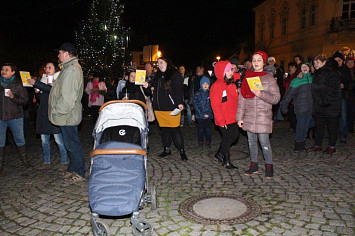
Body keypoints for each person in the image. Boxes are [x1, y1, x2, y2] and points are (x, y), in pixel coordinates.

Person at [237, 51, 280, 179]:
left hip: (263, 115)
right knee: (251, 142)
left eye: (259, 60)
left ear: (264, 62)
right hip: (249, 115)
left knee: (264, 142)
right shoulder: (247, 77)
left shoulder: (269, 78)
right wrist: (239, 117)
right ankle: (254, 164)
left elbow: (276, 98)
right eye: (254, 60)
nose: (256, 62)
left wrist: (261, 94)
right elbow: (242, 99)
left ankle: (269, 165)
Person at [48, 43, 86, 182]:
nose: (58, 55)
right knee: (69, 143)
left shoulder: (71, 70)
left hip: (67, 114)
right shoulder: (68, 68)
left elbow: (68, 97)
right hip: (67, 114)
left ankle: (80, 171)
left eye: (60, 52)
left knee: (72, 144)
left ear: (67, 53)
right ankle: (73, 168)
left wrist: (57, 110)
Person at [27, 62, 68, 170]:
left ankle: (64, 161)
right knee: (44, 141)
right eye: (46, 67)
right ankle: (46, 161)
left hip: (54, 113)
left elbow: (51, 91)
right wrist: (37, 92)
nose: (47, 69)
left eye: (50, 67)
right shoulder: (43, 80)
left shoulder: (59, 79)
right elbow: (43, 97)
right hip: (43, 113)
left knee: (59, 140)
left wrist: (36, 83)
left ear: (55, 69)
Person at [151, 57, 187, 161]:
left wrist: (180, 102)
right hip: (159, 108)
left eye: (161, 62)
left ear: (167, 63)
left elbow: (179, 90)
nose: (160, 65)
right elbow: (154, 88)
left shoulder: (174, 74)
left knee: (175, 130)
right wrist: (151, 87)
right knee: (164, 131)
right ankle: (167, 150)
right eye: (158, 63)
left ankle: (182, 151)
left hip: (171, 108)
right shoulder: (157, 75)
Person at [308, 54, 342, 154]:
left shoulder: (332, 73)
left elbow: (335, 90)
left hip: (331, 105)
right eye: (314, 63)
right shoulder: (317, 73)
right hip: (319, 105)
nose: (315, 65)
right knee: (319, 126)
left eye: (317, 62)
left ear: (324, 62)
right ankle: (318, 144)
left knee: (332, 126)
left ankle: (332, 146)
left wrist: (325, 101)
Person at [0, 63, 30, 174]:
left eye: (7, 69)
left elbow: (25, 101)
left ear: (13, 72)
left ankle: (24, 160)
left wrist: (13, 97)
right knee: (0, 141)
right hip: (1, 117)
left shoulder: (17, 84)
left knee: (19, 139)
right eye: (2, 69)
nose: (3, 71)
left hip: (15, 116)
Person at [210, 61, 239, 169]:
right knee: (227, 138)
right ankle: (226, 161)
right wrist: (221, 121)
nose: (230, 72)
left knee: (234, 136)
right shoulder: (217, 86)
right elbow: (215, 106)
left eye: (231, 70)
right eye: (228, 70)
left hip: (233, 116)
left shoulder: (231, 83)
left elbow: (237, 76)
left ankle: (219, 154)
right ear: (222, 72)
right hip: (224, 118)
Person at [280, 63, 313, 152]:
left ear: (309, 68)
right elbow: (289, 94)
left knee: (308, 126)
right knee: (301, 127)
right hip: (300, 108)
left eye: (306, 66)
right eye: (302, 67)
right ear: (300, 69)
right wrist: (284, 106)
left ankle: (301, 143)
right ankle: (298, 145)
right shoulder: (296, 81)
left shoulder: (313, 79)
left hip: (311, 108)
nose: (305, 68)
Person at [333, 51, 353, 143]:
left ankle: (342, 135)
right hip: (332, 96)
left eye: (339, 60)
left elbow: (351, 83)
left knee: (343, 117)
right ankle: (333, 134)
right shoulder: (331, 70)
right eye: (336, 60)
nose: (337, 62)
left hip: (342, 96)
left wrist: (344, 86)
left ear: (342, 61)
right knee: (333, 117)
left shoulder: (346, 70)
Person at [193, 76, 214, 148]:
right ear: (201, 85)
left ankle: (208, 142)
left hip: (209, 116)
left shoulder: (211, 93)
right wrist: (202, 113)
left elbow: (213, 105)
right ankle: (200, 141)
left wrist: (209, 113)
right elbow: (196, 105)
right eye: (204, 83)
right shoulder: (197, 93)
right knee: (200, 130)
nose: (205, 85)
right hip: (200, 116)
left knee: (208, 130)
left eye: (207, 84)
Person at [283, 62, 300, 131]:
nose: (290, 69)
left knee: (294, 113)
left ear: (295, 67)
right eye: (289, 67)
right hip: (289, 97)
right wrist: (285, 79)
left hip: (295, 97)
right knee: (291, 113)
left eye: (291, 67)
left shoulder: (297, 75)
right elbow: (285, 85)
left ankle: (295, 127)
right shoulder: (290, 76)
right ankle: (292, 126)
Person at [346, 57, 355, 133]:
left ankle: (350, 126)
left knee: (351, 111)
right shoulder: (344, 71)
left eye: (352, 62)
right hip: (346, 93)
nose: (350, 64)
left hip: (352, 94)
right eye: (348, 62)